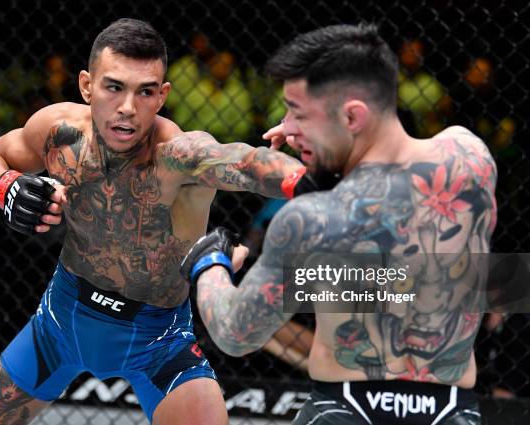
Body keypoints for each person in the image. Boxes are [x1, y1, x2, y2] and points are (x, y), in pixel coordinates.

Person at [0, 18, 310, 425]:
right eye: (114, 87)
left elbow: (247, 163)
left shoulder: (179, 157)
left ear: (162, 95)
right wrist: (6, 186)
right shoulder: (59, 132)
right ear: (86, 86)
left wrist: (316, 177)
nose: (128, 107)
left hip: (158, 342)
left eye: (145, 91)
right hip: (59, 322)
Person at [181, 24, 497, 424]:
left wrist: (209, 263)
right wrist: (319, 139)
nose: (289, 130)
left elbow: (235, 333)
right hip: (451, 409)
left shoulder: (311, 221)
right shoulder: (470, 159)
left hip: (345, 409)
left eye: (298, 113)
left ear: (351, 116)